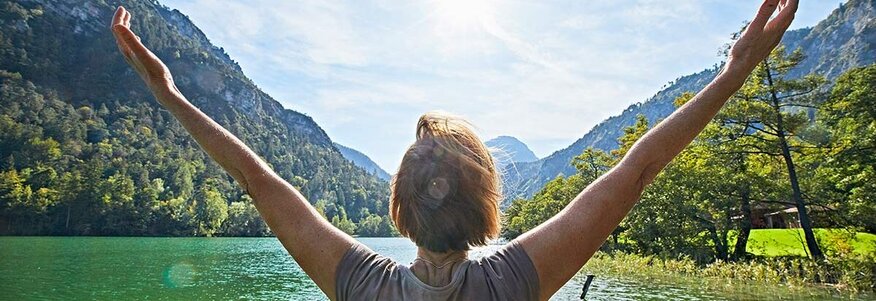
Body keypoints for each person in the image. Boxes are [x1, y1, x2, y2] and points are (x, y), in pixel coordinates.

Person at [110, 0, 798, 299]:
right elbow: (637, 168)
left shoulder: (360, 285)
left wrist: (170, 93)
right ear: (486, 205)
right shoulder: (515, 281)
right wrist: (734, 72)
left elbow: (258, 180)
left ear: (400, 208)